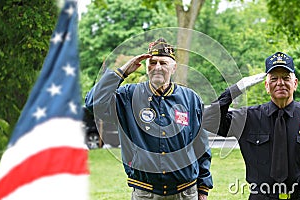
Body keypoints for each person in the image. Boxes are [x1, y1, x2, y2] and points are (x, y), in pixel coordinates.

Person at [85, 38, 213, 200]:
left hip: (186, 193)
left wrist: (203, 186)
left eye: (163, 63)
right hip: (145, 193)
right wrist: (122, 72)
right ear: (146, 67)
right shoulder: (128, 96)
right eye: (152, 62)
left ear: (174, 68)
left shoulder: (190, 98)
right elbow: (93, 103)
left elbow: (201, 144)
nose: (157, 67)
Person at [203, 52, 300, 200]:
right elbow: (209, 120)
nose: (280, 83)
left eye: (286, 78)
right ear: (267, 86)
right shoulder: (248, 117)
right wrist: (235, 89)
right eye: (274, 78)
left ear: (295, 83)